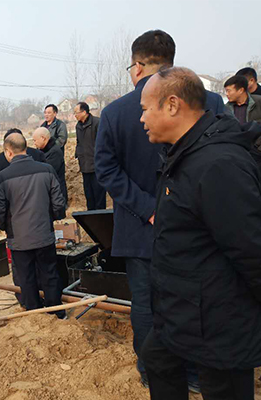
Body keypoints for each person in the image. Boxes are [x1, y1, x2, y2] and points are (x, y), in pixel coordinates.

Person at [94, 29, 226, 391]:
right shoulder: (210, 102)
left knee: (147, 303)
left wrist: (149, 209)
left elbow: (105, 170)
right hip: (197, 224)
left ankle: (154, 372)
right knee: (194, 300)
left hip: (142, 227)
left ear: (137, 67)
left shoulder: (115, 112)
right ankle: (194, 374)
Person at [139, 66, 261, 400]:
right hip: (184, 309)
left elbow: (254, 250)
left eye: (145, 109)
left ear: (172, 105)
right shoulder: (185, 154)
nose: (142, 118)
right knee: (157, 358)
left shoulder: (218, 164)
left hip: (219, 321)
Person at [0, 133, 67, 319]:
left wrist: (6, 228)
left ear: (8, 152)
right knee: (50, 274)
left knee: (26, 278)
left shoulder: (2, 177)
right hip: (44, 235)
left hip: (19, 239)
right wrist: (49, 219)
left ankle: (35, 314)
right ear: (26, 148)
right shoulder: (47, 170)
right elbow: (59, 204)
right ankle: (57, 312)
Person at [224, 74, 261, 212]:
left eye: (229, 90)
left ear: (241, 90)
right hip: (238, 156)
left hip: (260, 155)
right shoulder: (226, 109)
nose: (226, 94)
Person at [74, 102, 106, 210]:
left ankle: (100, 217)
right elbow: (79, 143)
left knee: (99, 196)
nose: (75, 115)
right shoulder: (78, 126)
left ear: (84, 112)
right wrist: (78, 154)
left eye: (76, 112)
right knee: (89, 195)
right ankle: (90, 216)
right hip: (85, 166)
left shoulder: (97, 122)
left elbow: (103, 144)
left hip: (97, 166)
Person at [32, 127, 68, 207]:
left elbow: (48, 171)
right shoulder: (41, 151)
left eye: (35, 140)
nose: (34, 143)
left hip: (56, 193)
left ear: (43, 138)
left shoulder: (55, 152)